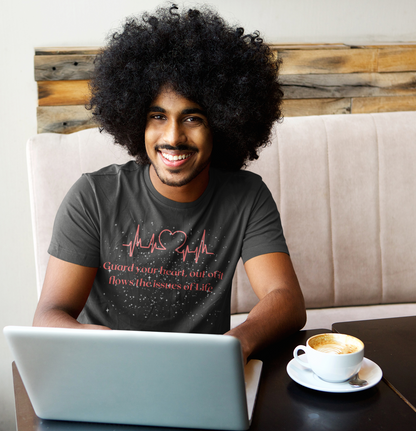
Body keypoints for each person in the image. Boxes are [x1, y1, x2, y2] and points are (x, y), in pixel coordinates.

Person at [33, 4, 306, 362]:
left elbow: (286, 299)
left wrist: (238, 343)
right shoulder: (94, 196)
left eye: (192, 118)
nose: (173, 137)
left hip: (202, 371)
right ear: (136, 122)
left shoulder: (246, 196)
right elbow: (48, 315)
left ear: (224, 123)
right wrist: (94, 341)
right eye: (157, 116)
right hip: (107, 367)